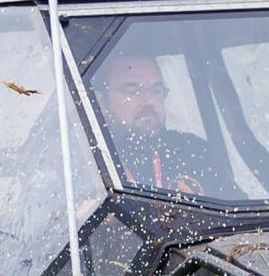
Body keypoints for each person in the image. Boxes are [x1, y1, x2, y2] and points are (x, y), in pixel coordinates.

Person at [92, 53, 216, 196]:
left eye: (156, 90)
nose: (149, 101)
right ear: (101, 101)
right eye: (132, 91)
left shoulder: (194, 152)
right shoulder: (87, 164)